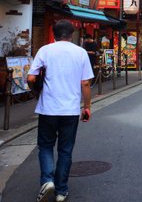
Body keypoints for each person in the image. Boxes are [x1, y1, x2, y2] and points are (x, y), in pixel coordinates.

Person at [27, 20, 94, 202]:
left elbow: (31, 77)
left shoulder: (45, 50)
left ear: (54, 34)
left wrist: (36, 87)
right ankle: (61, 191)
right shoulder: (80, 52)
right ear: (71, 34)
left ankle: (48, 181)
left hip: (48, 108)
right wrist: (86, 107)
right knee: (65, 150)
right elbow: (86, 83)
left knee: (46, 146)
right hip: (70, 110)